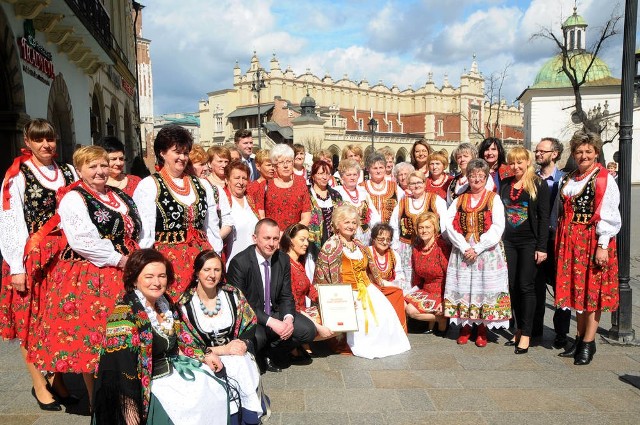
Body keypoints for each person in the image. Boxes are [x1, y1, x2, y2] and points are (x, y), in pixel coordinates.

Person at [29, 146, 141, 407]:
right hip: (94, 273)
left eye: (103, 165)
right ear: (79, 170)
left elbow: (137, 229)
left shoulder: (119, 196)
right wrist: (120, 259)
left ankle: (127, 395)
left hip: (127, 269)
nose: (100, 171)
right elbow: (83, 241)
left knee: (125, 335)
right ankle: (98, 403)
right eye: (92, 167)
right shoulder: (73, 198)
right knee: (95, 339)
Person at [92, 249, 231, 424]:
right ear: (135, 279)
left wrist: (205, 354)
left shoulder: (164, 303)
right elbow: (119, 373)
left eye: (162, 276)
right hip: (143, 385)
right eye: (149, 276)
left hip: (171, 373)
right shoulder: (124, 316)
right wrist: (130, 410)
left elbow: (184, 336)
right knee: (188, 406)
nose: (156, 282)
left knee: (212, 391)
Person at [0, 118, 78, 411]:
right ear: (28, 141)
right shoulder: (17, 175)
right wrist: (17, 267)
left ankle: (57, 379)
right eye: (39, 139)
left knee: (59, 322)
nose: (46, 145)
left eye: (50, 139)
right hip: (32, 258)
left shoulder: (68, 171)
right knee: (31, 323)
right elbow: (10, 222)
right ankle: (38, 383)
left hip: (65, 257)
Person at [133, 125, 233, 299]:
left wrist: (215, 259)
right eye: (177, 152)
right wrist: (146, 267)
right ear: (162, 153)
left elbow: (211, 228)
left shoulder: (202, 185)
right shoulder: (149, 185)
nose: (182, 157)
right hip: (168, 262)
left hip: (201, 261)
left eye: (185, 153)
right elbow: (145, 232)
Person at [555, 131, 621, 365]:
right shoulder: (571, 177)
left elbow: (610, 215)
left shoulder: (603, 178)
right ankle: (580, 337)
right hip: (570, 240)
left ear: (596, 153)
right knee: (577, 291)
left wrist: (603, 245)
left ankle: (588, 343)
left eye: (588, 151)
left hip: (592, 240)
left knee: (592, 292)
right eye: (579, 151)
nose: (583, 155)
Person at [313, 205, 410, 359]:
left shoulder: (358, 244)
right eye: (346, 222)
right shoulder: (331, 246)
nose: (351, 226)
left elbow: (371, 270)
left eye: (353, 222)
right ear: (337, 224)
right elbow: (324, 278)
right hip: (345, 292)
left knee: (387, 310)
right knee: (365, 321)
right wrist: (343, 299)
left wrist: (384, 283)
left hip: (366, 288)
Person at [179, 250, 265, 423]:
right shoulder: (185, 304)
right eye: (207, 269)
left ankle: (246, 418)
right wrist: (223, 350)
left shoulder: (232, 294)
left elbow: (249, 320)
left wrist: (243, 343)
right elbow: (185, 343)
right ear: (197, 272)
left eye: (217, 270)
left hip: (236, 354)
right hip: (204, 360)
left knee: (241, 364)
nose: (212, 275)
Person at [226, 219, 316, 372]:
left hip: (275, 311)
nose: (271, 243)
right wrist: (271, 322)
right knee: (258, 339)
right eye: (266, 238)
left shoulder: (282, 259)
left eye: (275, 239)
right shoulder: (240, 263)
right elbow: (241, 305)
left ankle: (273, 352)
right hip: (251, 317)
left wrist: (288, 318)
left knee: (308, 330)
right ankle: (260, 354)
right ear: (255, 238)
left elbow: (286, 295)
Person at [443, 159, 511, 347]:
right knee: (464, 288)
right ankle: (465, 327)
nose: (476, 179)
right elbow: (449, 224)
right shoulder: (459, 199)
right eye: (473, 176)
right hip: (463, 249)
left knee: (484, 288)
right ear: (468, 177)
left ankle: (482, 328)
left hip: (486, 251)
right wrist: (465, 247)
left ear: (486, 177)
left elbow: (498, 226)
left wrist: (479, 247)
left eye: (481, 176)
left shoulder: (493, 198)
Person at [499, 147, 550, 354]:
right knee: (511, 286)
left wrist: (542, 247)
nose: (516, 166)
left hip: (530, 242)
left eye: (520, 162)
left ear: (528, 162)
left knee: (526, 286)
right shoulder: (505, 184)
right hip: (508, 242)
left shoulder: (538, 184)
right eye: (512, 163)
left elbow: (544, 217)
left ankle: (527, 333)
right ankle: (518, 328)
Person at [533, 137, 569, 347]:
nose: (538, 154)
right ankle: (535, 330)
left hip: (558, 240)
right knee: (536, 286)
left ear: (554, 154)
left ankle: (561, 333)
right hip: (537, 240)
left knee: (560, 288)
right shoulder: (532, 178)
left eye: (542, 151)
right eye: (537, 151)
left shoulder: (564, 180)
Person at [390, 171, 447, 290]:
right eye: (412, 183)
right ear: (408, 186)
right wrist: (395, 247)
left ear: (425, 183)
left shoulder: (436, 200)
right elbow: (394, 225)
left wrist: (443, 245)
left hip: (430, 248)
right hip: (406, 248)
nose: (416, 186)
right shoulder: (403, 202)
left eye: (419, 182)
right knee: (407, 279)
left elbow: (445, 225)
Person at [280, 224, 334, 344]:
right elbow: (293, 305)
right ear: (290, 240)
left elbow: (310, 290)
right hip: (293, 313)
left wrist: (335, 301)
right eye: (302, 239)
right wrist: (319, 327)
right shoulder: (286, 265)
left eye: (307, 240)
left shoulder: (297, 263)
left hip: (303, 310)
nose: (306, 244)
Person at [404, 212, 450, 335]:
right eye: (421, 227)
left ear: (435, 228)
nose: (424, 231)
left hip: (441, 292)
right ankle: (436, 319)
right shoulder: (417, 249)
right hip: (426, 290)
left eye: (427, 227)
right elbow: (417, 278)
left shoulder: (441, 247)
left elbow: (450, 277)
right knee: (401, 302)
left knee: (410, 310)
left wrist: (446, 301)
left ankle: (442, 318)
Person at [255, 144, 311, 230]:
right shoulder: (265, 185)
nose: (286, 165)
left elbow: (306, 216)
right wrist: (275, 234)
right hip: (273, 238)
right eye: (281, 162)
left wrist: (289, 234)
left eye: (289, 161)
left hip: (295, 237)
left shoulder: (301, 182)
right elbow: (261, 217)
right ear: (274, 165)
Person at [367, 223, 407, 332]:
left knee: (398, 294)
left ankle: (396, 332)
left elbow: (399, 274)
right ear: (373, 239)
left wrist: (394, 284)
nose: (385, 242)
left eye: (388, 239)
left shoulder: (394, 254)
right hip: (371, 289)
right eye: (381, 239)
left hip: (389, 289)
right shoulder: (367, 252)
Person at [335, 159, 380, 243]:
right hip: (345, 237)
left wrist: (377, 232)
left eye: (355, 174)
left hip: (366, 237)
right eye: (348, 175)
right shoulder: (336, 192)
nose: (352, 177)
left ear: (358, 176)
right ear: (342, 177)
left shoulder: (363, 192)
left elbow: (374, 216)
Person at [224, 161, 259, 265]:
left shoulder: (251, 201)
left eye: (244, 178)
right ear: (227, 180)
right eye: (236, 178)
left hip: (253, 261)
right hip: (232, 262)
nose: (241, 182)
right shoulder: (223, 202)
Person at [308, 160, 343, 256]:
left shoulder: (335, 195)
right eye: (320, 174)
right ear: (313, 175)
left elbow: (342, 216)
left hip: (333, 242)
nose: (324, 177)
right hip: (312, 244)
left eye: (327, 174)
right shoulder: (306, 194)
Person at [362, 153, 404, 224]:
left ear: (385, 168)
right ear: (368, 170)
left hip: (391, 230)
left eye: (381, 167)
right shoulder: (362, 187)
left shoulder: (394, 187)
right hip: (368, 232)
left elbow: (403, 206)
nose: (378, 171)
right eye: (375, 168)